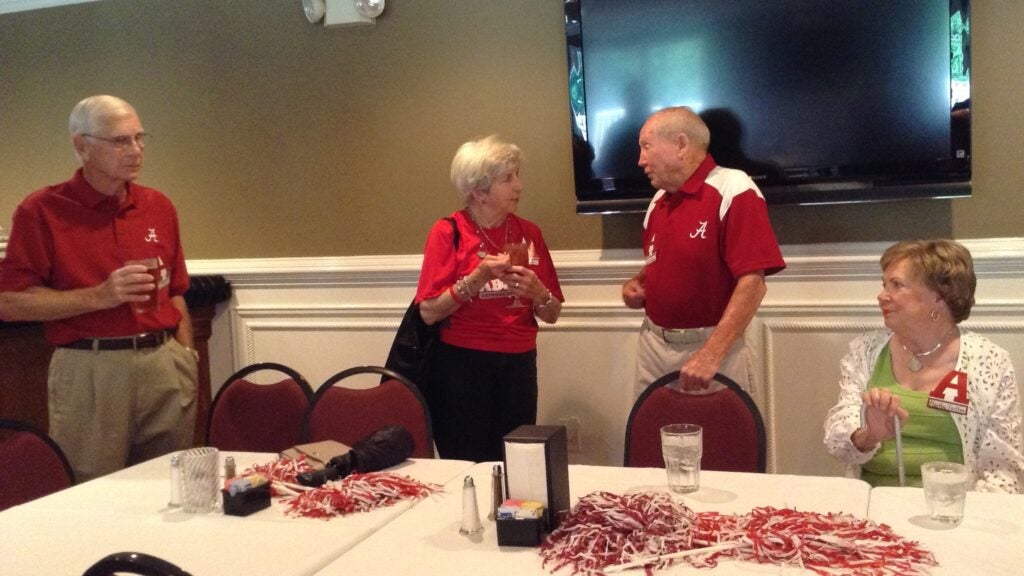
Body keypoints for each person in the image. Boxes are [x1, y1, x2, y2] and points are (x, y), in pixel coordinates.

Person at [0, 95, 198, 482]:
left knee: (175, 486)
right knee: (93, 490)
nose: (136, 151)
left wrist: (186, 353)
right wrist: (101, 296)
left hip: (164, 364)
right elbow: (10, 302)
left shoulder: (158, 206)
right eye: (120, 141)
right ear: (81, 146)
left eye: (140, 138)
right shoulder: (41, 210)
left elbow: (176, 289)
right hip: (91, 369)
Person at [824, 240, 1024, 492]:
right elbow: (837, 444)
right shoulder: (865, 351)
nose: (882, 295)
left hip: (954, 510)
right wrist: (868, 435)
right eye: (884, 284)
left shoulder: (989, 361)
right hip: (874, 506)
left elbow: (1002, 471)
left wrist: (963, 520)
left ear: (939, 296)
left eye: (896, 285)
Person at [416, 135, 563, 462]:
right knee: (470, 462)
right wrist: (477, 278)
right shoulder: (448, 232)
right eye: (508, 179)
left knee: (520, 460)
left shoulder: (530, 233)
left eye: (517, 176)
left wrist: (538, 294)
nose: (519, 186)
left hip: (519, 364)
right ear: (479, 191)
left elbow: (552, 314)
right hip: (462, 366)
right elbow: (428, 312)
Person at [622, 106, 785, 395]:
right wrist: (639, 283)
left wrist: (711, 354)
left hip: (710, 352)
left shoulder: (734, 187)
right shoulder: (659, 200)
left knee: (721, 438)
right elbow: (664, 262)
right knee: (652, 437)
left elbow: (753, 283)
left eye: (646, 147)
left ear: (681, 145)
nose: (640, 160)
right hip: (653, 349)